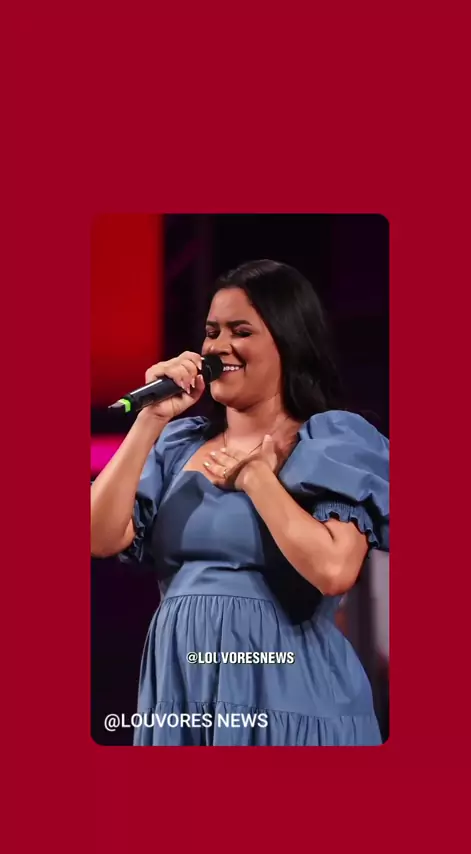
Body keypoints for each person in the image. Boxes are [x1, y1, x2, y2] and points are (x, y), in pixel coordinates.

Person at [91, 259, 389, 746]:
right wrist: (150, 421)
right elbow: (96, 536)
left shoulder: (332, 440)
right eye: (212, 332)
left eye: (241, 331)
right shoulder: (178, 444)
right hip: (182, 693)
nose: (217, 346)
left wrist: (255, 479)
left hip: (292, 697)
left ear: (288, 342)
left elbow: (335, 569)